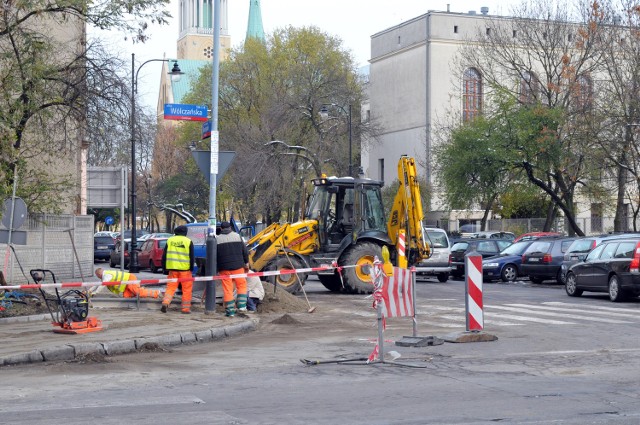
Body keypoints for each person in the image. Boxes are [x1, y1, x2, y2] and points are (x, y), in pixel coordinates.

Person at [217, 221, 249, 317]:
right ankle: (242, 306)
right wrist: (246, 262)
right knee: (241, 285)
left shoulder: (217, 239)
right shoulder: (237, 236)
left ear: (221, 229)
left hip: (224, 268)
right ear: (230, 227)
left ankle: (230, 311)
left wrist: (217, 268)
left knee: (228, 289)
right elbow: (244, 251)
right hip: (238, 267)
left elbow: (215, 256)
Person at [161, 225, 195, 314]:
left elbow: (164, 255)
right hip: (185, 270)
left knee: (170, 287)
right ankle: (185, 309)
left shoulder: (170, 240)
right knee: (186, 289)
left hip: (172, 269)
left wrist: (164, 268)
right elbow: (192, 257)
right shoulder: (188, 241)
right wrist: (191, 268)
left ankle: (165, 303)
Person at [94, 268, 162, 299]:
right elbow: (98, 284)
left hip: (130, 278)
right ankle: (144, 295)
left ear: (99, 274)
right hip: (126, 284)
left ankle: (157, 293)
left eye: (97, 276)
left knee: (137, 292)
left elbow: (102, 285)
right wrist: (90, 291)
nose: (97, 277)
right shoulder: (105, 275)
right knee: (127, 297)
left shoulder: (107, 276)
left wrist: (95, 292)